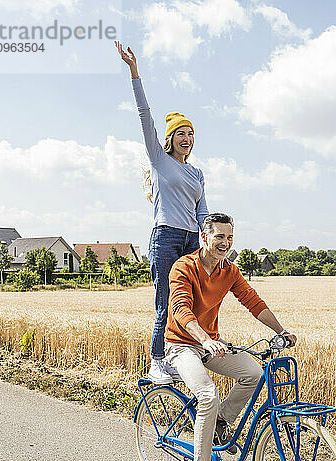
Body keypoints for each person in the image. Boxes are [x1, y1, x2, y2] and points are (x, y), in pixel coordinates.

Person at [162, 213, 297, 461]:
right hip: (182, 344)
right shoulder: (183, 267)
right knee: (208, 395)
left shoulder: (229, 271)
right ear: (204, 237)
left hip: (211, 345)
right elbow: (181, 309)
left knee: (254, 373)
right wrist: (206, 339)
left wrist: (281, 330)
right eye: (219, 236)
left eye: (230, 237)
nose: (225, 243)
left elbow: (252, 301)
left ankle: (222, 420)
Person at [114, 41, 209, 380]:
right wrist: (134, 73)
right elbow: (144, 115)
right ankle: (158, 361)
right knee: (166, 300)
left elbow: (203, 214)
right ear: (170, 138)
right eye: (181, 133)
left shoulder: (197, 173)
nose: (187, 138)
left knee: (195, 300)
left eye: (191, 134)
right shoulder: (159, 159)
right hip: (166, 237)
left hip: (192, 242)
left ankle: (188, 353)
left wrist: (213, 244)